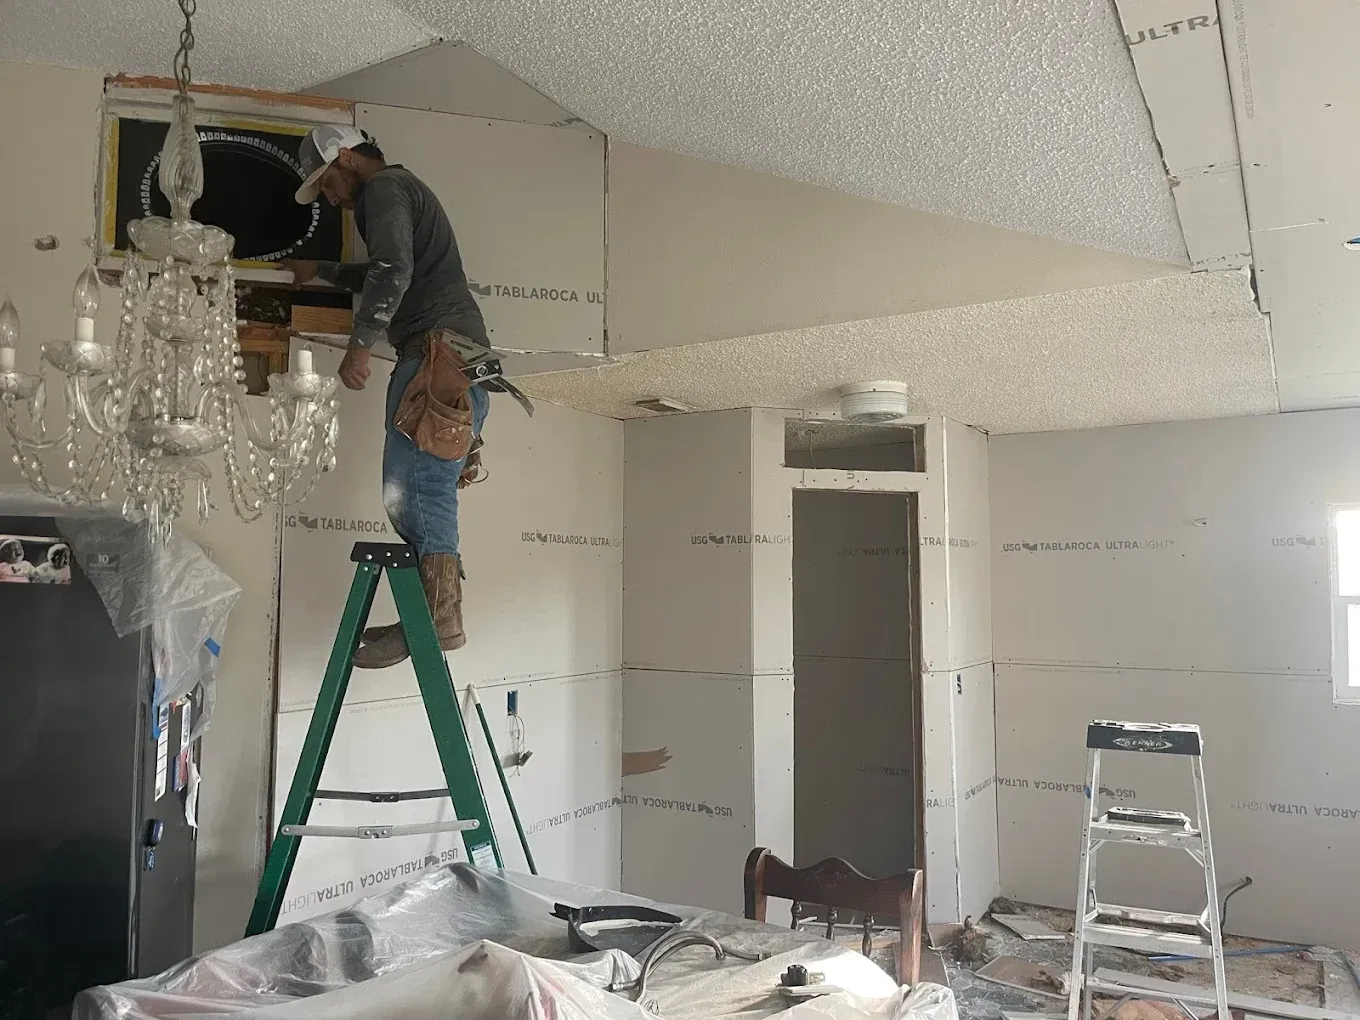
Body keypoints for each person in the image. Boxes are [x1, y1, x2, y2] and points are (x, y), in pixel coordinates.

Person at [283, 125, 490, 670]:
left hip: (435, 358)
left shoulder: (383, 189)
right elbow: (391, 267)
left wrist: (359, 347)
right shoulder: (399, 193)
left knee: (416, 493)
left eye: (326, 183)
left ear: (347, 158)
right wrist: (322, 271)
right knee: (423, 492)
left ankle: (438, 618)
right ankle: (433, 614)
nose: (327, 197)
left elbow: (392, 270)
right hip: (456, 364)